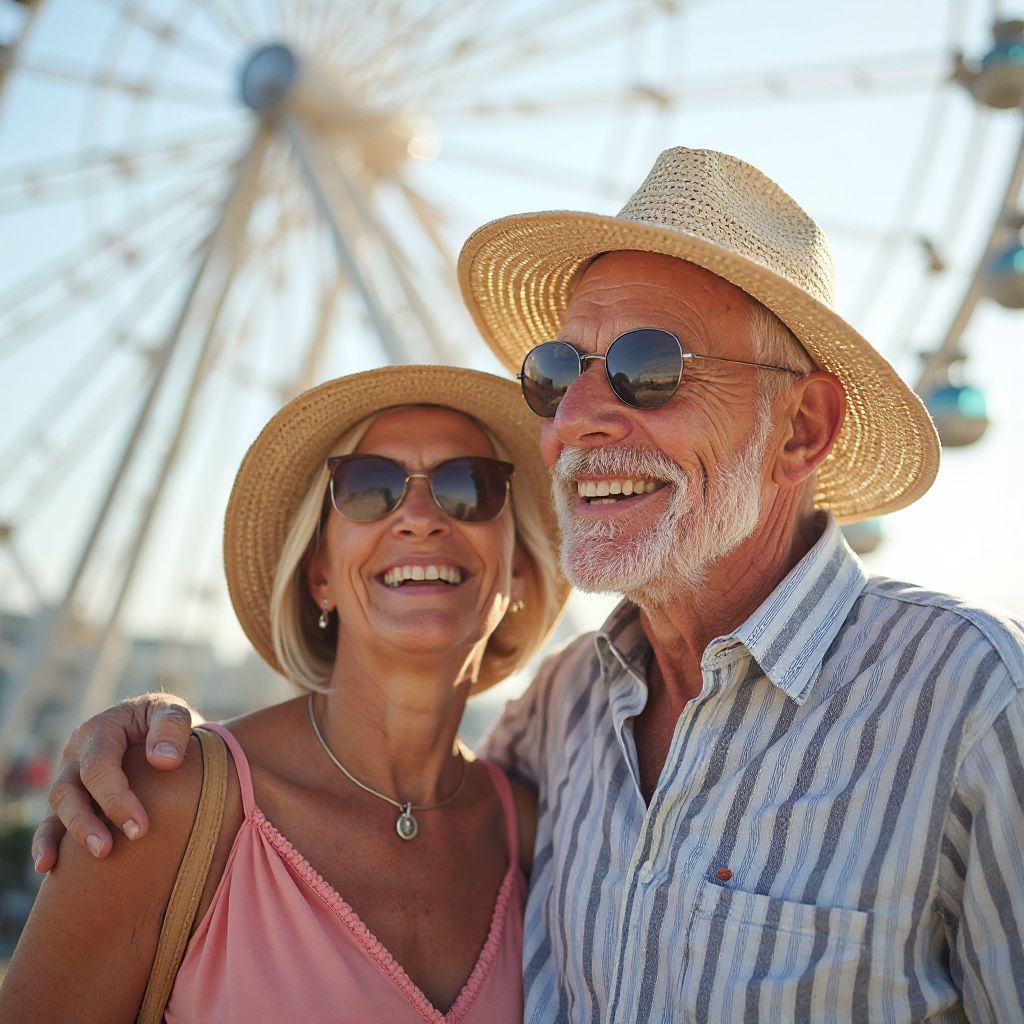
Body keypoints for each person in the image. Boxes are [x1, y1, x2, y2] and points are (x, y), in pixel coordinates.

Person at [30, 148, 1024, 1021]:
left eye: (646, 366)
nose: (577, 416)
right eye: (555, 371)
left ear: (803, 428)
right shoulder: (563, 718)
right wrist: (147, 731)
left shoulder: (971, 704)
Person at [0, 364, 569, 1022]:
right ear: (320, 575)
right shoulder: (164, 802)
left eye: (468, 486)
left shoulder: (532, 831)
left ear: (522, 571)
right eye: (368, 486)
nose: (419, 518)